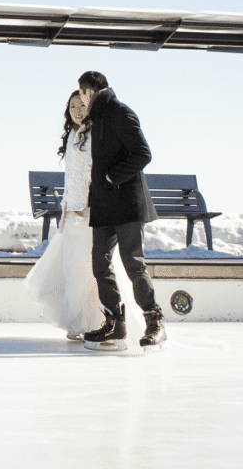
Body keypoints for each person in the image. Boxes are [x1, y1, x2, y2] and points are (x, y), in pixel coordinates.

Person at [74, 70, 165, 349]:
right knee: (100, 264)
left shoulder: (120, 112)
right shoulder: (98, 118)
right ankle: (115, 323)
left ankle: (154, 321)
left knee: (133, 264)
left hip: (125, 203)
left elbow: (143, 153)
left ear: (90, 92)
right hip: (104, 205)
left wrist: (113, 177)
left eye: (82, 94)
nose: (81, 100)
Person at [23, 83, 104, 340]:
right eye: (72, 107)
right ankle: (77, 321)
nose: (77, 111)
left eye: (82, 106)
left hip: (88, 213)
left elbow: (93, 173)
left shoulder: (94, 135)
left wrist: (88, 205)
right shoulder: (72, 135)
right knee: (71, 269)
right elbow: (71, 178)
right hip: (70, 212)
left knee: (86, 270)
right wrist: (65, 210)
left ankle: (93, 321)